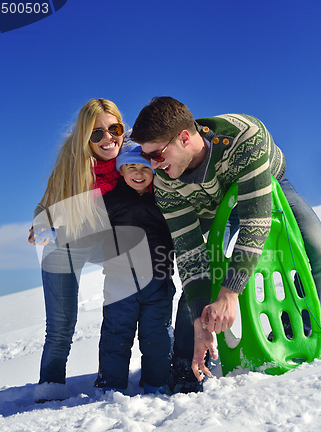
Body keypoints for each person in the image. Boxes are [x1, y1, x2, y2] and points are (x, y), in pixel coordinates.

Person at [131, 96, 321, 387]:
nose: (153, 166)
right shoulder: (166, 183)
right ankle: (186, 369)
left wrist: (230, 292)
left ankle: (311, 327)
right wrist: (201, 320)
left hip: (263, 185)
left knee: (316, 244)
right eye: (147, 158)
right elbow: (189, 251)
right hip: (206, 206)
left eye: (157, 154)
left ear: (184, 137)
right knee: (197, 285)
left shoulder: (245, 136)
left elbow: (254, 222)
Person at [28, 98, 125, 403]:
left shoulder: (135, 160)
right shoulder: (72, 165)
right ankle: (50, 386)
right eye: (97, 133)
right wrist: (41, 228)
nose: (108, 138)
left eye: (114, 128)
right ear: (85, 137)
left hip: (110, 244)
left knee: (140, 302)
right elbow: (44, 207)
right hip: (66, 245)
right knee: (61, 325)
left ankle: (125, 373)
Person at [93, 133, 175, 394]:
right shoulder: (110, 200)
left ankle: (156, 383)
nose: (138, 173)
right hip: (121, 282)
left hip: (158, 280)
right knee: (116, 335)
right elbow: (85, 224)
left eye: (144, 168)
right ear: (121, 170)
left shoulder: (164, 199)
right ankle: (111, 386)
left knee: (157, 336)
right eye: (131, 167)